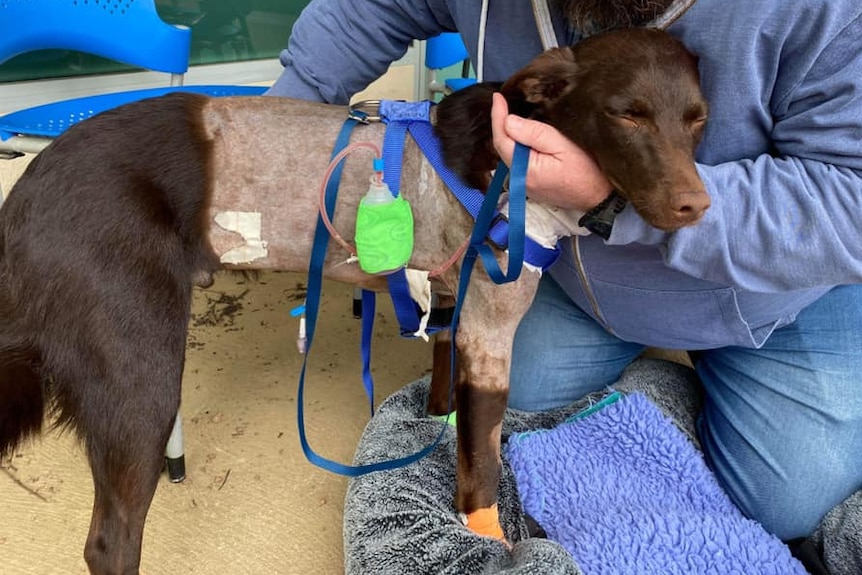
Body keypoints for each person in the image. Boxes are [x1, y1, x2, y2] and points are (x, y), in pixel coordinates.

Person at [266, 0, 862, 546]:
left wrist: (605, 200)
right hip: (582, 285)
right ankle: (661, 384)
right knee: (504, 408)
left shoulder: (825, 12)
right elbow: (371, 6)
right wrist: (273, 125)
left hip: (780, 300)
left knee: (788, 504)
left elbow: (851, 203)